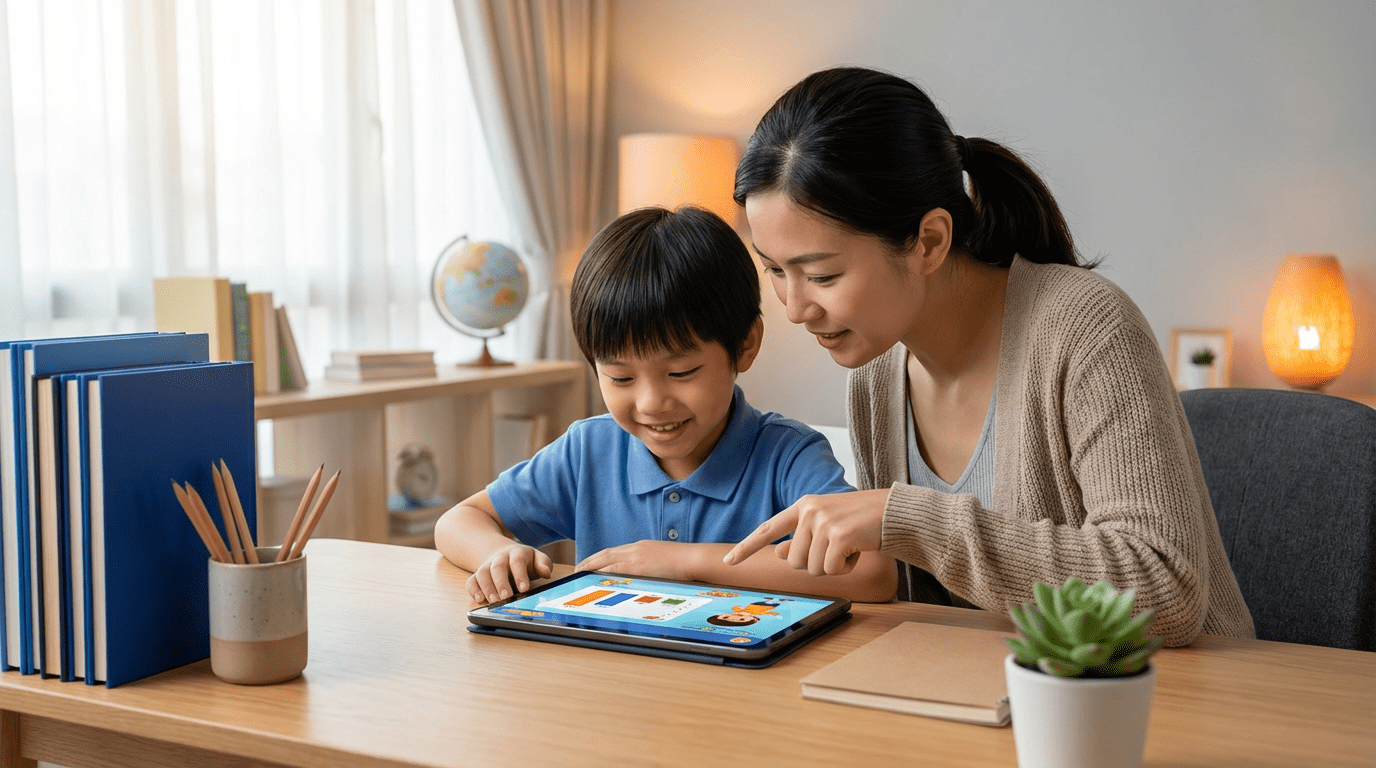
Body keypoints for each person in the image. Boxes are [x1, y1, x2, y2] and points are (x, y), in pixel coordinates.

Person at [721, 66, 1253, 647]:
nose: (795, 309)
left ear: (929, 241)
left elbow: (1165, 592)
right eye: (774, 269)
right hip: (994, 696)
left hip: (1164, 700)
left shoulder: (1086, 328)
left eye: (821, 274)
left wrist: (912, 520)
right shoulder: (875, 372)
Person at [434, 205, 897, 606]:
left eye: (681, 373)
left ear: (746, 345)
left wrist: (686, 562)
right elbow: (459, 521)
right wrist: (495, 553)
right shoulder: (589, 450)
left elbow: (873, 572)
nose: (652, 402)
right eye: (620, 377)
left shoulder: (786, 455)